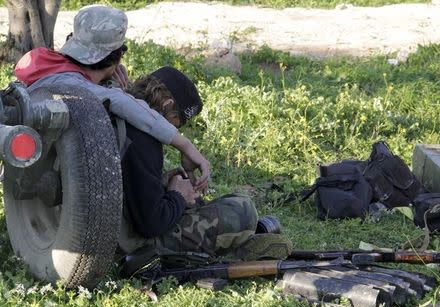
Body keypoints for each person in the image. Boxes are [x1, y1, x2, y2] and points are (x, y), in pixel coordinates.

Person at [14, 5, 209, 191]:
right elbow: (134, 110)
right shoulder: (84, 89)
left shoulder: (52, 65)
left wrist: (109, 79)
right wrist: (185, 145)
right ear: (117, 57)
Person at [119, 66, 292, 260]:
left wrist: (163, 182)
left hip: (115, 226)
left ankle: (238, 240)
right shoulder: (144, 141)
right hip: (132, 244)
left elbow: (129, 185)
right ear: (167, 105)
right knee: (243, 210)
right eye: (178, 121)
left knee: (209, 204)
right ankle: (238, 249)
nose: (176, 129)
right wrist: (178, 195)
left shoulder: (122, 113)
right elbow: (151, 224)